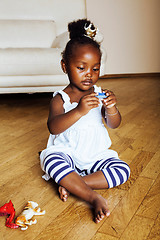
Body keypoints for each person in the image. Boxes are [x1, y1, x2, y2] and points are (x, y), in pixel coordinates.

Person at [40, 19, 130, 223]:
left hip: (96, 155)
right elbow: (53, 128)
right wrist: (79, 110)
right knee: (50, 162)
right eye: (81, 67)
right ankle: (92, 196)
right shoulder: (60, 99)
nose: (89, 74)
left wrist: (112, 108)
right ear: (65, 66)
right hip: (68, 154)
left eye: (95, 69)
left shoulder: (100, 95)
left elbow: (114, 124)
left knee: (123, 170)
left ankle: (74, 183)